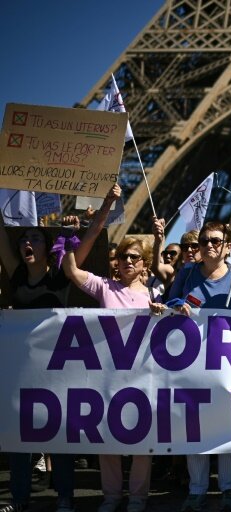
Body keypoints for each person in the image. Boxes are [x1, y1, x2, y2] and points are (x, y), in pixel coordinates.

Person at [0, 185, 124, 512]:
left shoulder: (59, 278)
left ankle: (65, 495)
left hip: (57, 368)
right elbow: (1, 235)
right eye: (24, 238)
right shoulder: (16, 276)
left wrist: (108, 201)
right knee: (19, 435)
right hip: (23, 369)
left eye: (36, 238)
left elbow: (93, 233)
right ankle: (20, 497)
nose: (28, 242)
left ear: (46, 246)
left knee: (60, 434)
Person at [152, 221, 231, 512]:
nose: (209, 245)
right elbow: (170, 300)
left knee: (230, 427)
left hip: (228, 368)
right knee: (195, 427)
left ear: (229, 247)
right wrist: (178, 305)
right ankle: (197, 489)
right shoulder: (189, 272)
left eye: (216, 241)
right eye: (204, 241)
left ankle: (228, 486)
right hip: (192, 367)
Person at [62, 231, 160, 512]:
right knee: (108, 436)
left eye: (134, 257)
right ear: (116, 262)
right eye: (122, 257)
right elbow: (71, 271)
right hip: (108, 376)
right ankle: (112, 496)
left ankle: (138, 497)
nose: (128, 261)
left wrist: (161, 312)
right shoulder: (104, 287)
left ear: (144, 264)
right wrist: (70, 241)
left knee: (143, 439)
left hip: (142, 376)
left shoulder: (155, 294)